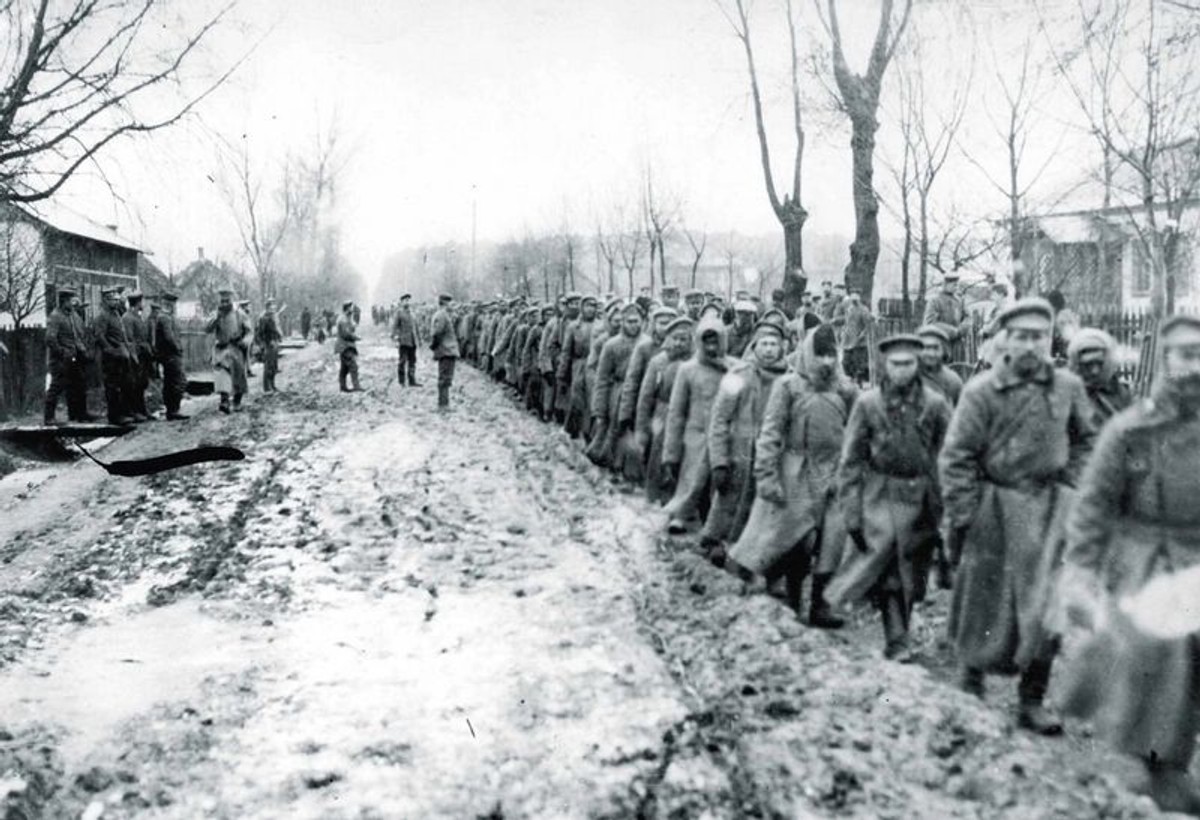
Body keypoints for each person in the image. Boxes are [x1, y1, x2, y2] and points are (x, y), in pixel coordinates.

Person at [1057, 315, 1200, 815]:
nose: (1194, 365)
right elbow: (1093, 507)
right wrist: (1080, 574)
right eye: (1185, 354)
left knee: (1189, 677)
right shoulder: (1130, 429)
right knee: (1153, 670)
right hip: (1145, 563)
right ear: (1164, 362)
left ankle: (1170, 769)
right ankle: (1144, 768)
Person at [939, 297, 1095, 735]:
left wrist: (1072, 488)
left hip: (1048, 511)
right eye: (1021, 336)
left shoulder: (1067, 387)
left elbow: (1087, 441)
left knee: (1047, 607)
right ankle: (971, 682)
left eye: (1038, 337)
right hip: (994, 509)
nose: (1030, 345)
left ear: (1051, 340)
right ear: (1004, 340)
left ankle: (1032, 698)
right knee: (983, 599)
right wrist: (965, 512)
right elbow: (957, 457)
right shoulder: (981, 391)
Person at [827, 334, 953, 660]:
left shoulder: (935, 405)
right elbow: (851, 459)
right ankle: (896, 638)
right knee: (889, 571)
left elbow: (948, 454)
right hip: (881, 494)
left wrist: (945, 503)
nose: (901, 371)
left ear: (918, 364)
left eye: (908, 364)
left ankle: (902, 628)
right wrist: (851, 510)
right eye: (895, 364)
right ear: (885, 365)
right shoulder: (868, 404)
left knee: (914, 571)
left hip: (922, 496)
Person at [730, 325, 858, 627]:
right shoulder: (789, 387)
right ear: (806, 354)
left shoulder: (846, 390)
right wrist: (766, 475)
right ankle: (791, 597)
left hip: (834, 473)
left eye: (831, 355)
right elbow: (771, 433)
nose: (825, 362)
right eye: (819, 355)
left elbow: (856, 434)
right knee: (798, 537)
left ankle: (820, 606)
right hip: (795, 471)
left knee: (832, 540)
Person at [700, 320, 790, 563]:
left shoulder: (790, 380)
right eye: (764, 344)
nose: (769, 349)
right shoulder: (738, 375)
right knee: (729, 501)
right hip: (739, 452)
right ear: (754, 346)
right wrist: (718, 460)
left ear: (782, 348)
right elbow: (719, 419)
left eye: (774, 344)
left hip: (772, 454)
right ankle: (715, 543)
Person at [662, 313, 730, 534]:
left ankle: (715, 524)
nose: (711, 346)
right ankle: (681, 514)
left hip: (723, 435)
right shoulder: (688, 369)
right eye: (706, 340)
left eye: (715, 340)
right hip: (695, 434)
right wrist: (670, 453)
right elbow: (676, 412)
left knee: (720, 483)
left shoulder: (733, 369)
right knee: (691, 478)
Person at [615, 306, 677, 483]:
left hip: (666, 403)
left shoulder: (681, 348)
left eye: (669, 323)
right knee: (641, 439)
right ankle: (632, 477)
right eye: (662, 323)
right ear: (653, 324)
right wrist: (626, 411)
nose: (665, 327)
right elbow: (632, 380)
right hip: (644, 400)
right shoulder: (645, 348)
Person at [636, 315, 694, 504]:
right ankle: (659, 495)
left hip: (687, 415)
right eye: (675, 338)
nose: (678, 343)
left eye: (683, 339)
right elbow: (646, 396)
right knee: (659, 453)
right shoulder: (658, 362)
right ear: (668, 339)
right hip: (662, 412)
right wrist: (642, 426)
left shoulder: (695, 363)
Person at [587, 302, 643, 468]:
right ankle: (612, 462)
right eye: (629, 322)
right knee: (615, 428)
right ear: (622, 323)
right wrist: (599, 408)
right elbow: (602, 378)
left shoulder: (647, 343)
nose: (634, 325)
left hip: (641, 391)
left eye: (637, 321)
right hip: (617, 392)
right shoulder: (611, 345)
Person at [43, 287, 93, 424]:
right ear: (64, 301)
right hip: (61, 360)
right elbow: (50, 339)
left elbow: (79, 334)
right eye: (71, 300)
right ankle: (49, 417)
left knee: (79, 385)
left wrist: (83, 350)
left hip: (76, 356)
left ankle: (79, 414)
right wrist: (62, 352)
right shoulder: (55, 316)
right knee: (57, 386)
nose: (74, 303)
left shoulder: (73, 315)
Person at [1067, 328, 1131, 429]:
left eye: (1100, 363)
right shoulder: (1066, 395)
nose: (1094, 371)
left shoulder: (1122, 393)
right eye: (1088, 365)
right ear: (1077, 364)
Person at [93, 287, 135, 425]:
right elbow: (99, 336)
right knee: (112, 387)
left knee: (124, 385)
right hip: (111, 358)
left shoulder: (116, 314)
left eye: (117, 299)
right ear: (105, 300)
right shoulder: (102, 316)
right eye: (113, 300)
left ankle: (123, 413)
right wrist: (110, 350)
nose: (116, 302)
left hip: (121, 356)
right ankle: (115, 416)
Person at [207, 288, 252, 413]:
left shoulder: (239, 314)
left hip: (236, 347)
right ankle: (224, 401)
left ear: (232, 300)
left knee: (238, 376)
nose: (225, 304)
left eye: (227, 301)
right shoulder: (215, 313)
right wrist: (216, 319)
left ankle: (237, 402)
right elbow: (207, 329)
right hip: (221, 349)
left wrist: (245, 341)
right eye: (222, 301)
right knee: (222, 375)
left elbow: (249, 331)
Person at [559, 295, 597, 438]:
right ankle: (573, 430)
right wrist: (562, 374)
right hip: (578, 365)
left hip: (595, 367)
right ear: (582, 308)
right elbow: (566, 352)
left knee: (593, 400)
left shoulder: (601, 326)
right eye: (587, 306)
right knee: (577, 400)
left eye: (593, 306)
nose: (590, 309)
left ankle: (590, 434)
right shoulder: (573, 327)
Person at [154, 291, 189, 420]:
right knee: (178, 381)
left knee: (171, 382)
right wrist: (178, 348)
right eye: (173, 303)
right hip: (170, 355)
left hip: (170, 354)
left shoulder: (168, 317)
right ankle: (173, 409)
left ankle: (172, 409)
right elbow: (169, 337)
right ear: (169, 304)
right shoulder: (164, 317)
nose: (174, 306)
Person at [121, 291, 153, 421]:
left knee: (142, 384)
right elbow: (129, 339)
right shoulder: (127, 318)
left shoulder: (137, 316)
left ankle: (142, 410)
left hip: (143, 355)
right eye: (142, 302)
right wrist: (134, 356)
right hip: (135, 356)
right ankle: (134, 411)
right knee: (133, 385)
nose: (143, 304)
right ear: (137, 303)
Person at [916, 324, 964, 406]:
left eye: (935, 348)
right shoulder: (908, 378)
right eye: (926, 348)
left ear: (944, 351)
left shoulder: (953, 382)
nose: (931, 354)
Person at [430, 293, 460, 410]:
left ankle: (444, 403)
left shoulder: (442, 314)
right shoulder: (442, 315)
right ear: (445, 303)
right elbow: (438, 333)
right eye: (451, 302)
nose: (453, 305)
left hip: (446, 350)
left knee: (446, 378)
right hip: (446, 350)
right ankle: (443, 405)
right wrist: (435, 346)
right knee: (444, 378)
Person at [839, 289, 872, 385]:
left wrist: (861, 336)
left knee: (859, 365)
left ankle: (859, 383)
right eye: (852, 295)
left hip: (859, 343)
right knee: (846, 362)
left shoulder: (864, 310)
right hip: (848, 341)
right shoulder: (849, 309)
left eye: (856, 295)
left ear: (859, 297)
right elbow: (847, 323)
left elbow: (867, 326)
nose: (854, 297)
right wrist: (844, 333)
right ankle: (851, 380)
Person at [391, 294, 421, 387]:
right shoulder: (399, 313)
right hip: (403, 341)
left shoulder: (412, 313)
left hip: (412, 341)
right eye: (405, 300)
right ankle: (401, 381)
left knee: (412, 361)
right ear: (401, 302)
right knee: (402, 361)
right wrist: (395, 338)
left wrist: (419, 340)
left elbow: (416, 328)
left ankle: (412, 381)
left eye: (408, 300)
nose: (407, 302)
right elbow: (394, 327)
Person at [255, 299, 283, 393]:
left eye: (274, 306)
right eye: (271, 307)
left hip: (274, 343)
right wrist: (263, 344)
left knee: (274, 366)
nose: (273, 308)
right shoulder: (263, 318)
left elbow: (276, 330)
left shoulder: (273, 317)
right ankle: (267, 387)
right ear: (267, 307)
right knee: (268, 366)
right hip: (268, 344)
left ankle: (272, 385)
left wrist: (278, 338)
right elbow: (260, 333)